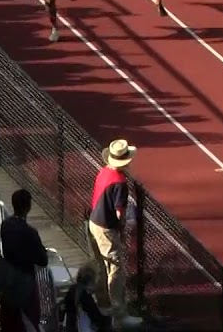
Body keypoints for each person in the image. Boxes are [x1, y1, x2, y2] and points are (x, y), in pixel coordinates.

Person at [88, 140, 141, 330]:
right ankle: (119, 315)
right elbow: (120, 212)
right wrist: (123, 229)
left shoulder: (104, 172)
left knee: (101, 266)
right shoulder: (119, 182)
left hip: (93, 222)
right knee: (116, 269)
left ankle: (103, 305)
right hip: (106, 228)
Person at [0, 189, 48, 332]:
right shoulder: (30, 232)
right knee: (28, 320)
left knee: (9, 320)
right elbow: (42, 260)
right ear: (28, 206)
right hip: (25, 281)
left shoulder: (5, 225)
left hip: (8, 279)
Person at [62, 265, 111, 332]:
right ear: (91, 282)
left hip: (70, 326)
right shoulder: (85, 296)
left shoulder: (73, 289)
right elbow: (97, 318)